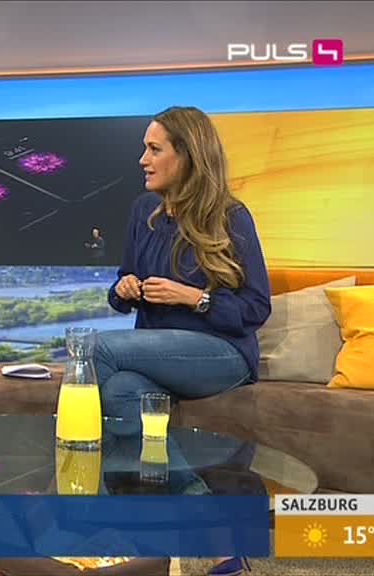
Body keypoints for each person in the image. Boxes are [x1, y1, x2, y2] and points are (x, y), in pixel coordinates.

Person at [98, 106, 271, 576]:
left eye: (154, 149)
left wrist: (194, 297)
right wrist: (124, 289)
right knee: (120, 390)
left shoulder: (231, 216)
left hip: (221, 354)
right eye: (144, 148)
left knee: (95, 349)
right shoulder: (144, 211)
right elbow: (120, 287)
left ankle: (91, 517)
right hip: (156, 356)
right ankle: (217, 541)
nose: (142, 159)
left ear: (188, 155)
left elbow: (256, 308)